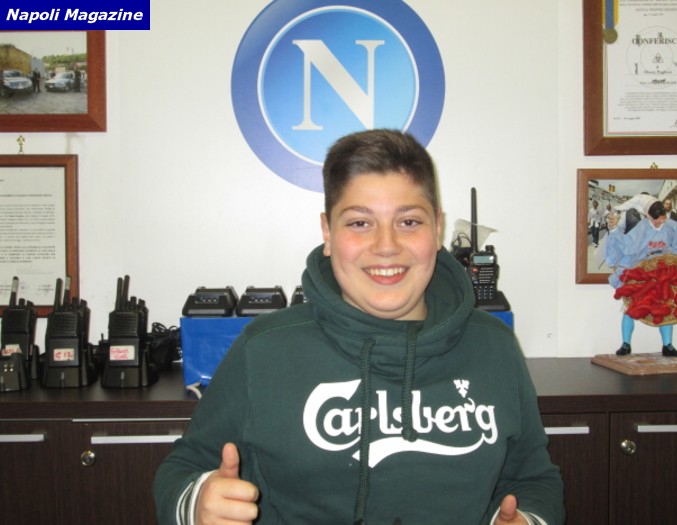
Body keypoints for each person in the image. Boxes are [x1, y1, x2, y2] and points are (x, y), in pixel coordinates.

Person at [154, 129, 565, 525]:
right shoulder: (263, 349)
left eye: (409, 222)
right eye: (359, 223)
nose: (386, 246)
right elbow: (183, 469)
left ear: (437, 229)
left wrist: (528, 519)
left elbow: (534, 480)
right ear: (327, 232)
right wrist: (199, 504)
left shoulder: (494, 346)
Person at [605, 194, 677, 357]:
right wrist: (614, 230)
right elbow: (627, 245)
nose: (660, 223)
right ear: (648, 216)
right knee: (631, 306)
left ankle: (668, 345)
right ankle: (626, 344)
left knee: (666, 304)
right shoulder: (642, 227)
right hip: (642, 269)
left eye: (662, 219)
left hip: (664, 270)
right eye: (656, 220)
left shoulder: (670, 226)